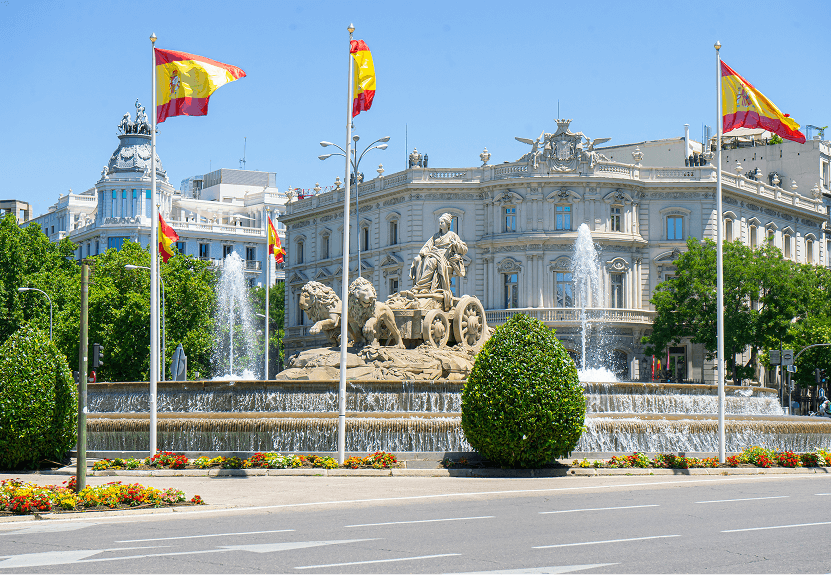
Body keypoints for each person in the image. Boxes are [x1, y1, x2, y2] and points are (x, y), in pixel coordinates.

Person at [409, 212, 467, 295]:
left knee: (432, 261)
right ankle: (423, 287)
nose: (440, 224)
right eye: (439, 222)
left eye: (442, 222)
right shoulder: (436, 236)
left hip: (444, 257)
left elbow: (464, 249)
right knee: (417, 260)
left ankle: (420, 286)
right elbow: (428, 246)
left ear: (447, 224)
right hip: (433, 253)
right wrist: (424, 251)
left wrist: (455, 244)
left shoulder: (452, 235)